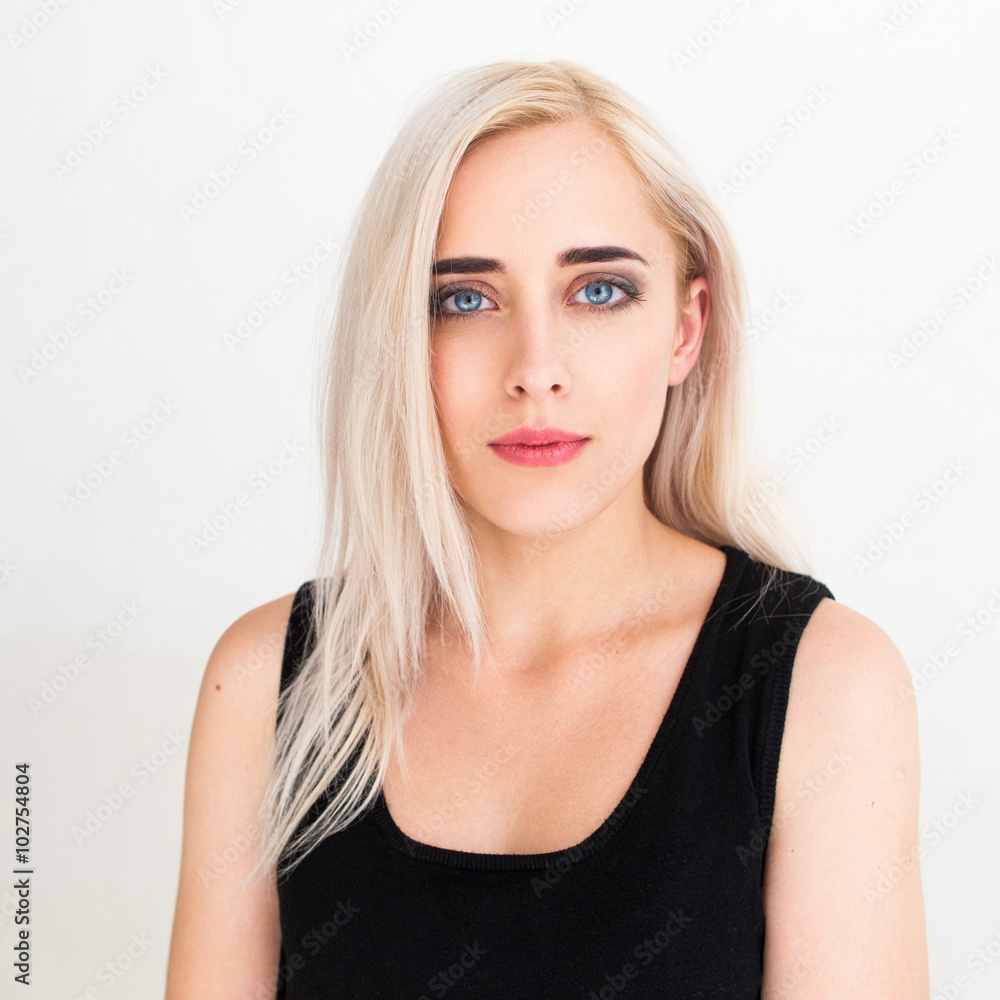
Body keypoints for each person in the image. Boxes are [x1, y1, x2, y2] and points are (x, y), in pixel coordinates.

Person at [164, 59, 929, 998]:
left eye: (598, 291)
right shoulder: (267, 686)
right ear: (399, 338)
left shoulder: (824, 687)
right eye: (465, 299)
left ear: (686, 329)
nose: (535, 368)